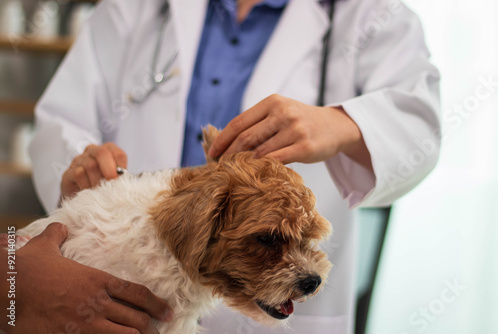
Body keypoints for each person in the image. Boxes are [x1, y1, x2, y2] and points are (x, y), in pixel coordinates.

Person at [24, 0, 441, 333]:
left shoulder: (367, 13)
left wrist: (341, 123)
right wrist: (79, 168)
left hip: (277, 314)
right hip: (134, 273)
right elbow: (63, 120)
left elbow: (420, 125)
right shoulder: (137, 7)